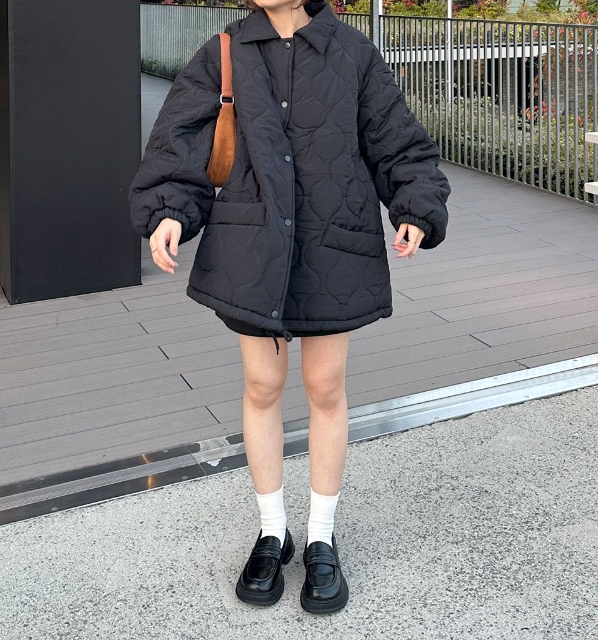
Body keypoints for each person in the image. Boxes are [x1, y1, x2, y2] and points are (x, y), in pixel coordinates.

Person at [129, 0, 450, 614]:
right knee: (262, 385)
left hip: (333, 240)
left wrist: (415, 207)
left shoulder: (353, 53)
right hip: (253, 240)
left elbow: (398, 143)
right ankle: (272, 531)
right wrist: (169, 211)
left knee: (326, 386)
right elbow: (180, 140)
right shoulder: (224, 51)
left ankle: (322, 536)